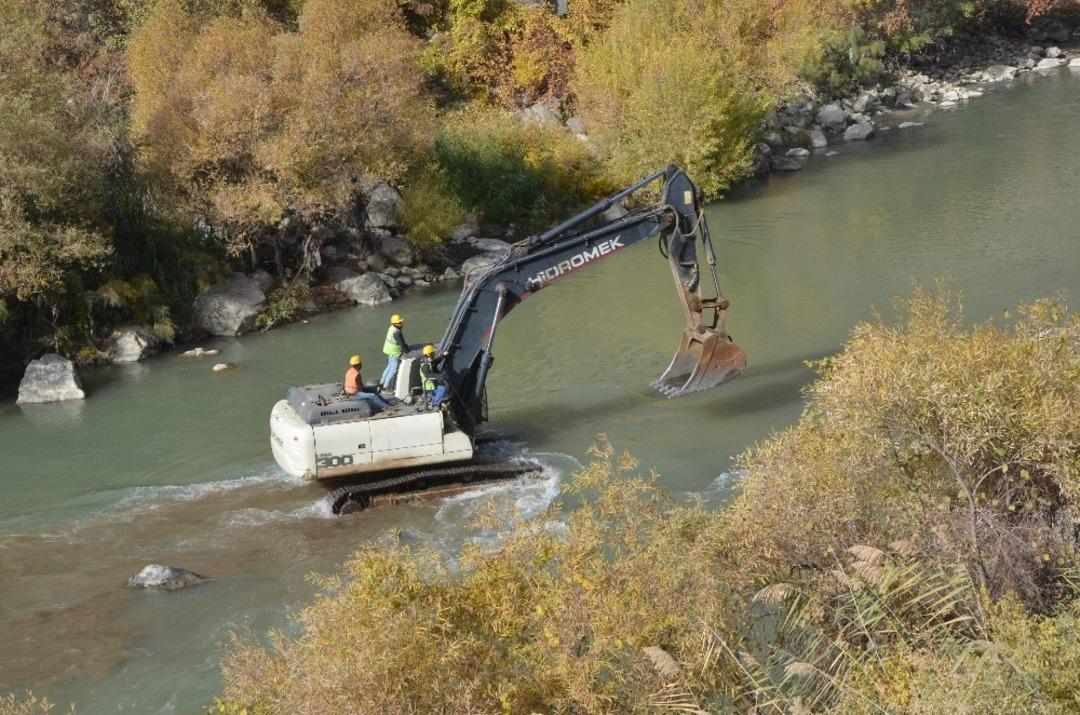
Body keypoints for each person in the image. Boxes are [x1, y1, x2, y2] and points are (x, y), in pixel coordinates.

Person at [380, 314, 408, 391]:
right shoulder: (397, 333)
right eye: (400, 322)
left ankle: (382, 382)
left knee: (389, 367)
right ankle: (386, 387)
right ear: (395, 324)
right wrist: (407, 350)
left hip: (389, 351)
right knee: (393, 370)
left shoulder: (392, 328)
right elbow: (402, 344)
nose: (402, 324)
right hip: (394, 352)